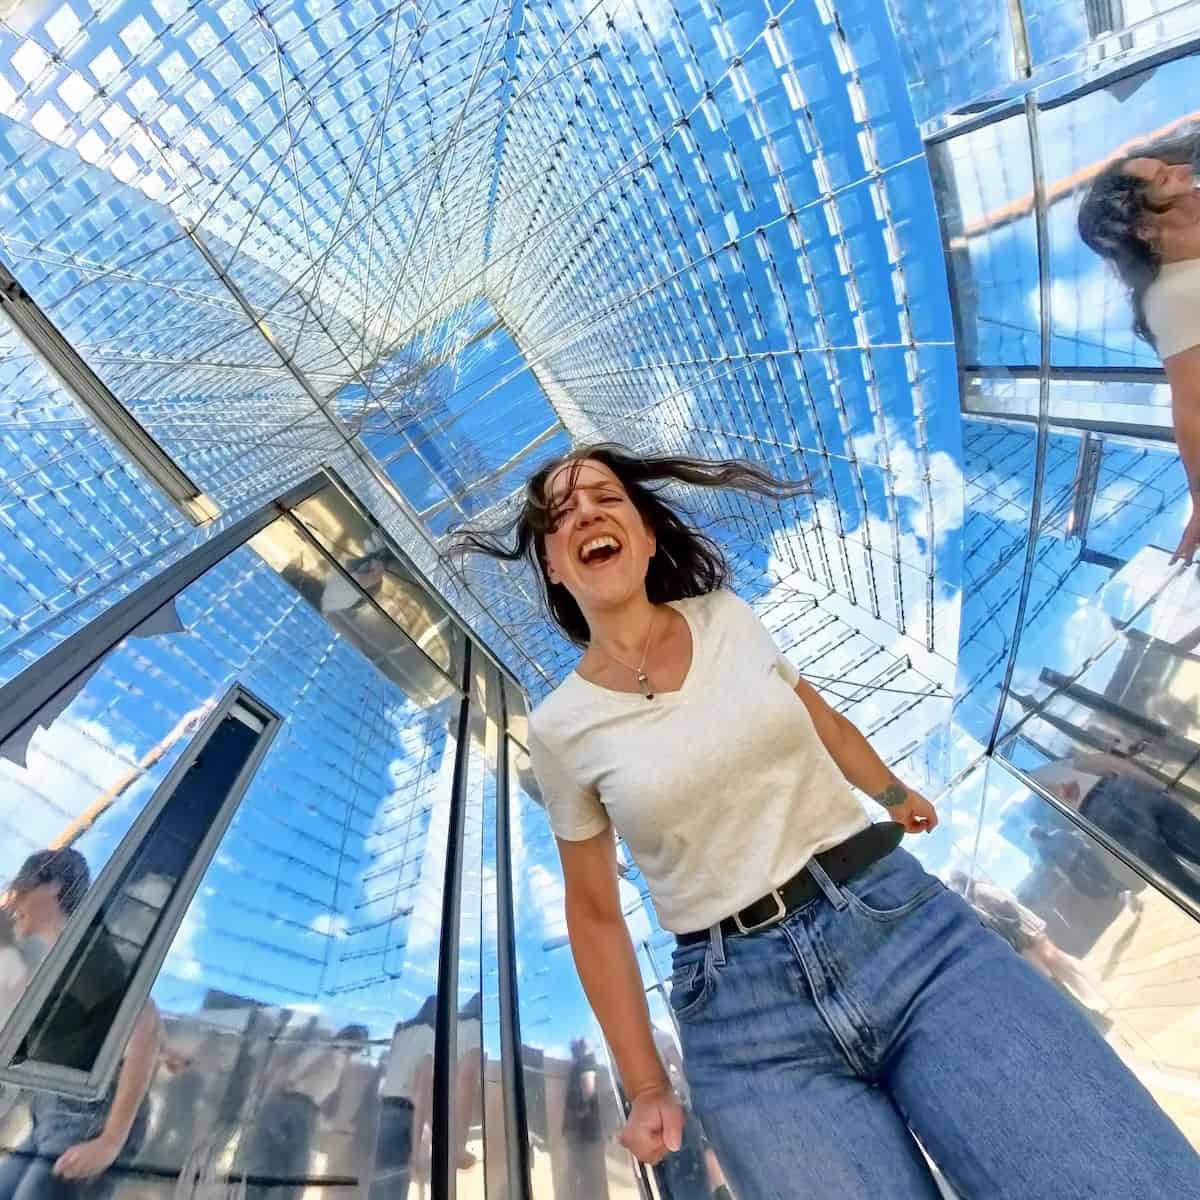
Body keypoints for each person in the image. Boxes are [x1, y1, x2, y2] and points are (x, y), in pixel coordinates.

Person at [455, 443, 1200, 1198]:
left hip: (902, 933)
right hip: (742, 1024)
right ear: (553, 565)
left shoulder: (727, 618)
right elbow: (593, 913)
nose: (585, 512)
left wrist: (891, 793)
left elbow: (824, 722)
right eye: (560, 513)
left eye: (606, 497)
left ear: (645, 533)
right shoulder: (560, 728)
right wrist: (646, 1082)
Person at [0, 849, 160, 1200]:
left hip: (89, 1119)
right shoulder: (54, 960)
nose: (13, 900)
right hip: (50, 1115)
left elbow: (145, 1027)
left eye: (21, 887)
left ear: (55, 886)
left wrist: (110, 1142)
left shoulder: (86, 950)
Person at [1078, 132, 1200, 564]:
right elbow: (1191, 407)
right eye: (1167, 180)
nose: (1187, 173)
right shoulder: (1172, 296)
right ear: (1146, 228)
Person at [1038, 751, 1200, 909]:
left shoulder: (1034, 788)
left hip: (1098, 815)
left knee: (1176, 877)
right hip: (1119, 787)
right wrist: (1162, 787)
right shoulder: (1050, 768)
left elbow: (1067, 825)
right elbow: (1108, 762)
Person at [945, 870, 1110, 1019]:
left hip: (1025, 929)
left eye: (955, 886)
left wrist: (1007, 921)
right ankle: (1089, 997)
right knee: (1053, 964)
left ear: (962, 882)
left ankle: (1092, 995)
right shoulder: (976, 895)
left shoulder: (981, 891)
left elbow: (1008, 903)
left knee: (1054, 959)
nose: (956, 891)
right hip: (1021, 934)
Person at [560, 1039, 608, 1200]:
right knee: (591, 1174)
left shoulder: (578, 1065)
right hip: (587, 1131)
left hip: (578, 1130)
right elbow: (589, 1091)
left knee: (579, 1171)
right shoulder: (587, 1063)